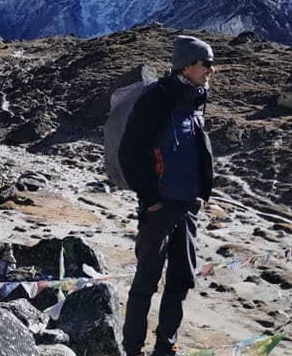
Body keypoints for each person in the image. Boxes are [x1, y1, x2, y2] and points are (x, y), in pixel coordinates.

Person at [118, 35, 217, 356]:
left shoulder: (196, 98)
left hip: (187, 207)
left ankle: (166, 346)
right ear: (188, 65)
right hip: (159, 207)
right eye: (207, 64)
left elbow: (200, 148)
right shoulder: (157, 100)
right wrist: (151, 199)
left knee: (181, 279)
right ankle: (132, 348)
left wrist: (203, 193)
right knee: (147, 279)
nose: (211, 71)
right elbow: (130, 152)